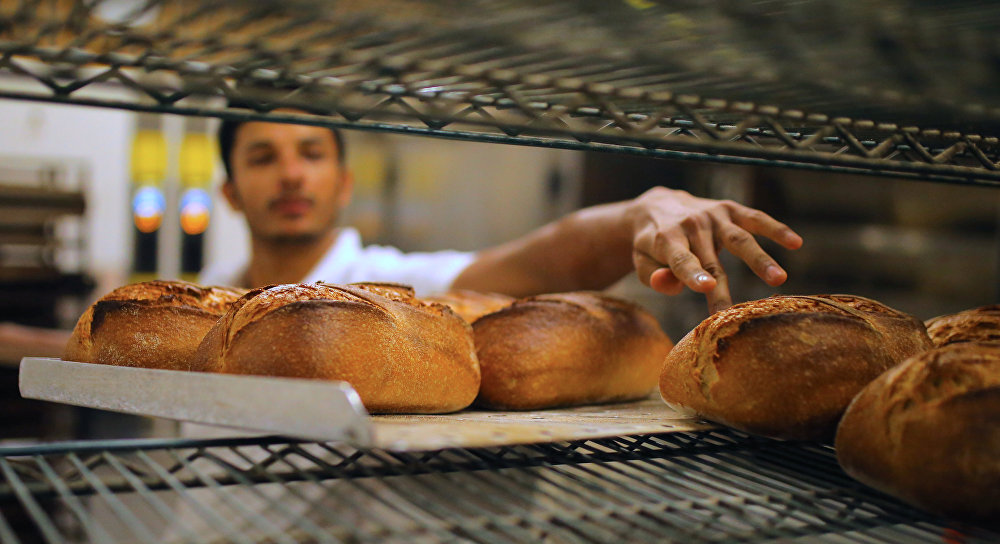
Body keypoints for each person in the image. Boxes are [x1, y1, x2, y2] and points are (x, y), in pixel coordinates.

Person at [203, 114, 802, 313]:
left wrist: (638, 214)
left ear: (343, 185)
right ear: (230, 192)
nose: (291, 174)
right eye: (263, 157)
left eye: (311, 154)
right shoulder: (210, 293)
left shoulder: (380, 287)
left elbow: (539, 265)